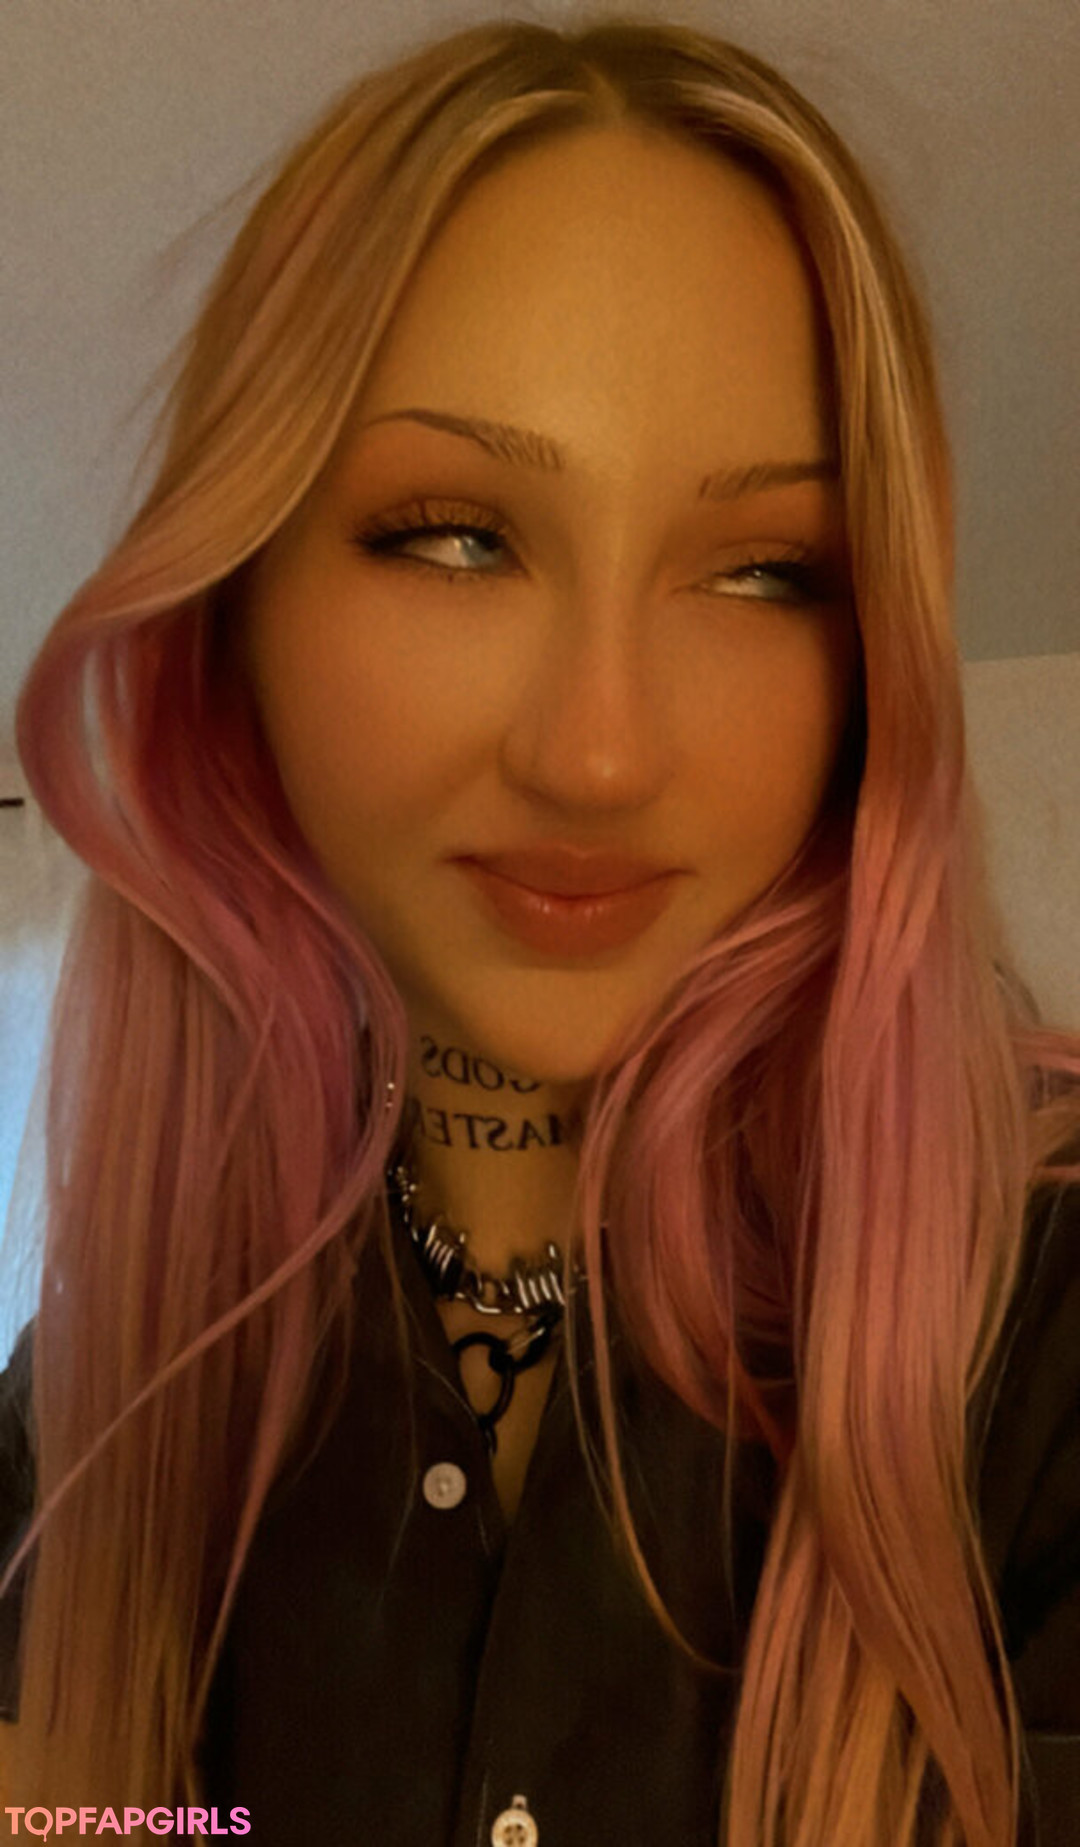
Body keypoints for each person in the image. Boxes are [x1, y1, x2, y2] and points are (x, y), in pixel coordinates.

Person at [1, 15, 1078, 1846]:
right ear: (236, 615)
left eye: (765, 571)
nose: (598, 755)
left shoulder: (1042, 1327)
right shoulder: (100, 1404)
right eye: (454, 538)